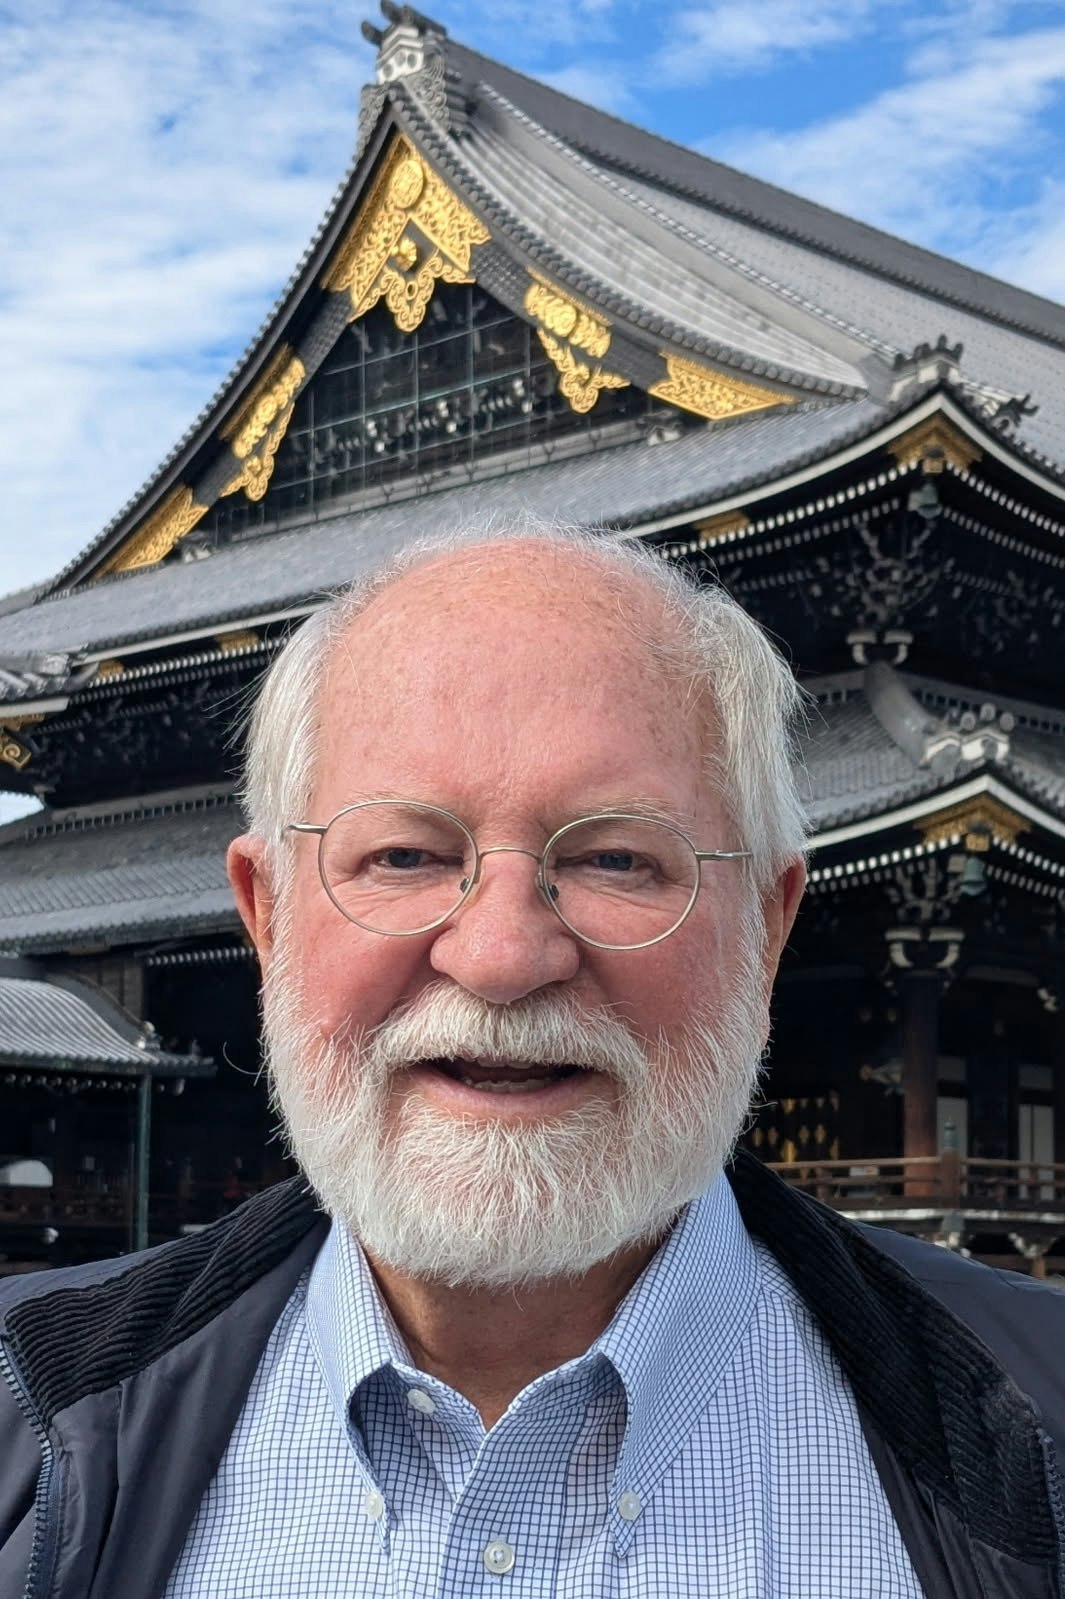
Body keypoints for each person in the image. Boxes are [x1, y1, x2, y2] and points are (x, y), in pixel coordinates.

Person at [1, 521, 1063, 1599]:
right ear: (266, 916)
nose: (503, 956)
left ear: (768, 923)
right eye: (405, 855)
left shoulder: (1041, 1422)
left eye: (615, 858)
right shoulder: (23, 1412)